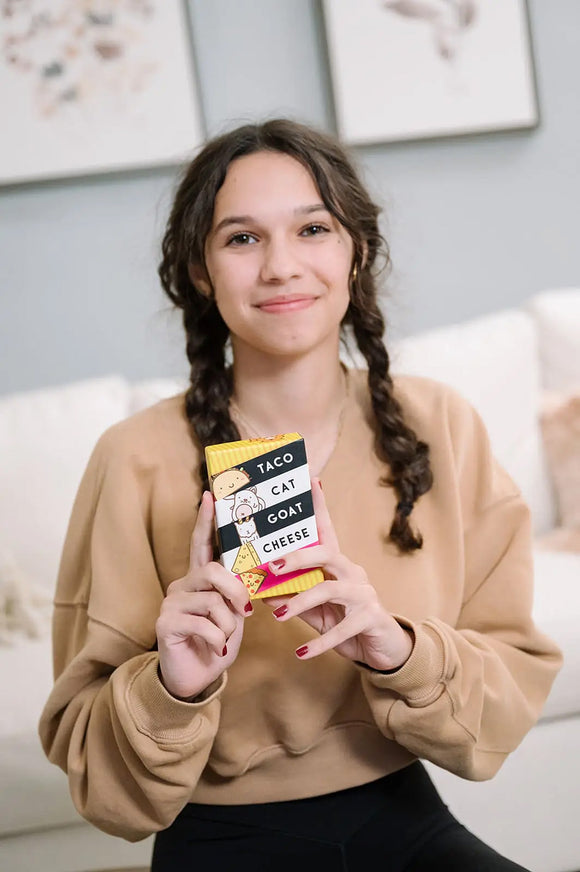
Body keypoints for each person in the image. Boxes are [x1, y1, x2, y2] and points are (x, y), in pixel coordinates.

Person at [39, 118, 562, 871]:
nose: (282, 266)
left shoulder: (439, 424)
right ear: (199, 270)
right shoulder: (135, 460)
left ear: (356, 253)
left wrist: (398, 649)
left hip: (404, 812)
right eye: (242, 238)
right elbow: (101, 784)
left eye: (313, 228)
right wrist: (171, 686)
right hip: (218, 836)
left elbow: (511, 681)